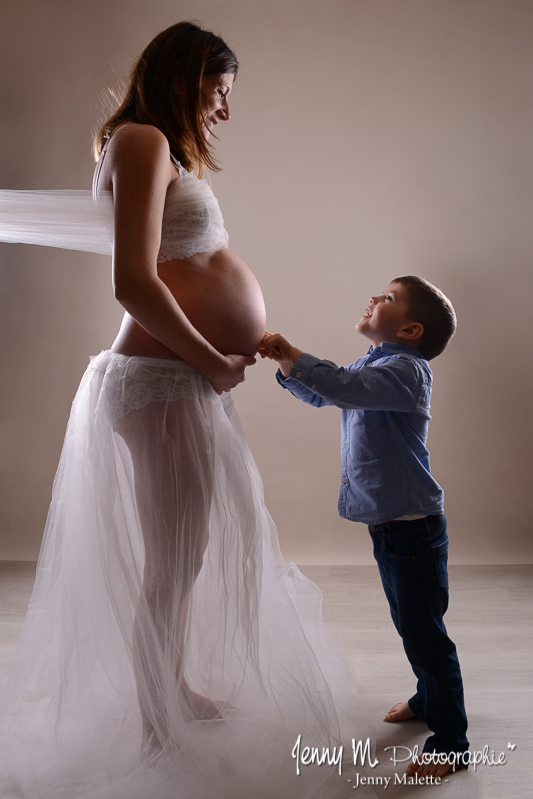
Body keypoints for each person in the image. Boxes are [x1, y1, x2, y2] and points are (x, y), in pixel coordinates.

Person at [0, 22, 364, 799]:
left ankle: (175, 689)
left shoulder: (155, 145)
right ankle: (156, 724)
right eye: (216, 90)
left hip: (181, 380)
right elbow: (133, 282)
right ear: (183, 73)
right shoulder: (139, 139)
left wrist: (227, 347)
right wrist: (208, 358)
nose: (223, 111)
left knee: (183, 555)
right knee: (171, 562)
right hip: (163, 379)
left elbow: (187, 264)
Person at [261, 275, 469, 779]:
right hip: (391, 523)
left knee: (425, 634)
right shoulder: (375, 363)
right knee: (411, 623)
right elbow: (325, 394)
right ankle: (427, 699)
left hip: (413, 527)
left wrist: (297, 353)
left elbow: (340, 386)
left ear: (412, 329)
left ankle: (451, 744)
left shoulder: (405, 370)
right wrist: (289, 366)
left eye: (389, 297)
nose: (375, 298)